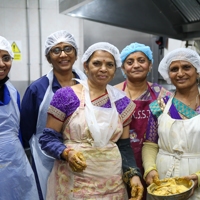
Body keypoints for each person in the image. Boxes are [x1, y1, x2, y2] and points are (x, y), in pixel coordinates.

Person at [39, 42, 144, 200]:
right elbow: (48, 138)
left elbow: (124, 146)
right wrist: (67, 153)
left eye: (109, 65)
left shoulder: (122, 102)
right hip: (74, 180)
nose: (103, 69)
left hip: (111, 183)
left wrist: (133, 175)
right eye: (97, 63)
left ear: (115, 70)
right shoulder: (66, 96)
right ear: (85, 67)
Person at [20, 30, 87, 200]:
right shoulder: (37, 89)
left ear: (76, 54)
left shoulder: (89, 84)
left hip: (83, 157)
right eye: (56, 50)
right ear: (48, 58)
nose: (63, 54)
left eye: (68, 49)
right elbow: (26, 131)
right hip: (46, 159)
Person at [142, 48, 200, 200]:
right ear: (169, 75)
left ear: (198, 71)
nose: (180, 73)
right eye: (174, 69)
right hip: (162, 180)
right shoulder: (160, 104)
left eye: (186, 67)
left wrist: (199, 177)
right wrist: (149, 169)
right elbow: (150, 144)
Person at [115, 42, 170, 199]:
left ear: (150, 64)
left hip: (154, 160)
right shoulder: (114, 93)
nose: (136, 65)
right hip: (120, 160)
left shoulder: (161, 95)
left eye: (141, 60)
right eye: (130, 62)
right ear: (123, 68)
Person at [0, 36, 39, 199]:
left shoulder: (12, 91)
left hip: (14, 163)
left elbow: (18, 130)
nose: (2, 64)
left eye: (6, 58)